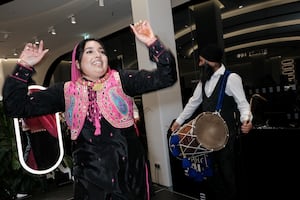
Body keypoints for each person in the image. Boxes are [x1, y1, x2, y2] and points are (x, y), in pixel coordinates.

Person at [3, 20, 177, 200]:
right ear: (77, 63)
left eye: (102, 51)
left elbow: (166, 77)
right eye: (90, 51)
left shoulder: (123, 80)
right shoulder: (65, 91)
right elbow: (15, 107)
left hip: (130, 177)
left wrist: (152, 43)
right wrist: (23, 66)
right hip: (90, 183)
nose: (98, 55)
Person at [170, 44, 253, 200]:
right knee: (212, 175)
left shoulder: (231, 78)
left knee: (228, 175)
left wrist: (246, 120)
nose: (200, 64)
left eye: (202, 61)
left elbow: (243, 103)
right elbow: (193, 102)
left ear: (212, 62)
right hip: (206, 138)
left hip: (226, 138)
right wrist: (179, 121)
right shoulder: (203, 81)